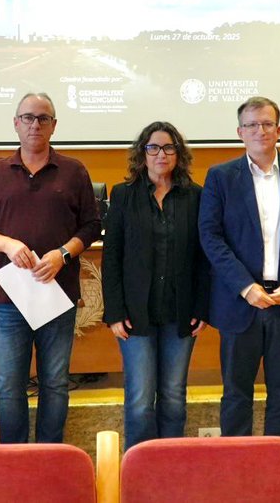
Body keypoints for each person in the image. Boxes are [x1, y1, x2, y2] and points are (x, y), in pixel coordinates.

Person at [0, 92, 102, 443]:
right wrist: (7, 244)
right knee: (9, 384)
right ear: (15, 124)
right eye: (28, 117)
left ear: (54, 125)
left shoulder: (74, 171)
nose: (35, 124)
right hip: (9, 298)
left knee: (55, 383)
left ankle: (50, 456)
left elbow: (90, 226)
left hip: (58, 295)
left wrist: (63, 254)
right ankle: (13, 460)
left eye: (43, 118)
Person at [199, 96, 280, 440]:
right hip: (240, 302)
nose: (260, 130)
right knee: (236, 394)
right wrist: (245, 286)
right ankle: (237, 471)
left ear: (279, 130)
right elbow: (211, 237)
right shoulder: (221, 177)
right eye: (252, 125)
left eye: (267, 124)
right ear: (240, 132)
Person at [102, 121, 210, 448]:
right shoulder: (123, 195)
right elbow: (112, 257)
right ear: (142, 154)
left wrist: (203, 307)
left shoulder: (196, 196)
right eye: (153, 148)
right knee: (139, 397)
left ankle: (170, 467)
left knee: (175, 395)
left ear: (178, 154)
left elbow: (205, 258)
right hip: (136, 314)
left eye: (168, 148)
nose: (161, 154)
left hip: (182, 312)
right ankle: (139, 470)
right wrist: (115, 312)